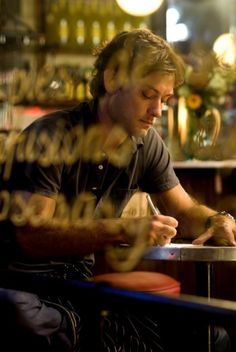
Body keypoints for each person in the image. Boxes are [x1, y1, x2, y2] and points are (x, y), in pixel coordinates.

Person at [0, 28, 235, 351]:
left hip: (79, 291)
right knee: (23, 318)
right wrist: (121, 229)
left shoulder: (146, 142)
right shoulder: (52, 135)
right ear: (111, 80)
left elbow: (182, 210)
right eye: (147, 94)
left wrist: (215, 220)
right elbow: (30, 236)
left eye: (164, 100)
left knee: (208, 335)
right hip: (23, 286)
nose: (157, 111)